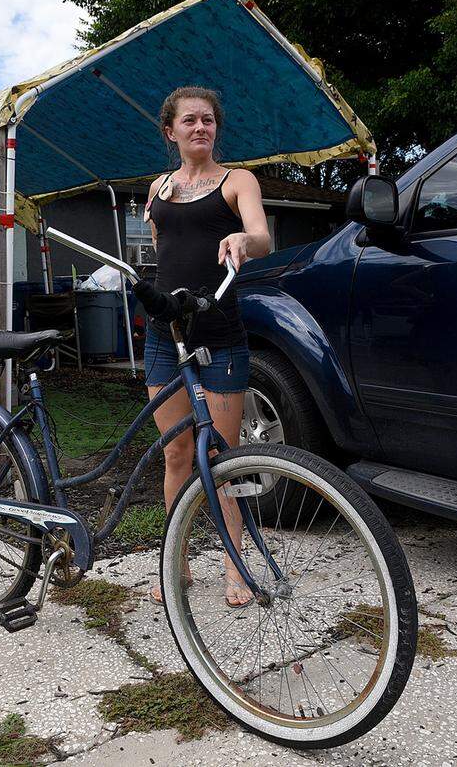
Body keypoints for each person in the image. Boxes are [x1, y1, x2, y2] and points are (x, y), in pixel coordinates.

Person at [143, 86, 270, 608]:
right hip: (164, 336)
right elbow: (161, 248)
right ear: (170, 131)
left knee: (222, 458)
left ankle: (235, 565)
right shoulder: (158, 188)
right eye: (190, 120)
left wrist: (243, 240)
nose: (201, 127)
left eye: (208, 120)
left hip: (219, 335)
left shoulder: (238, 180)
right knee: (176, 454)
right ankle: (177, 562)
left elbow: (261, 236)